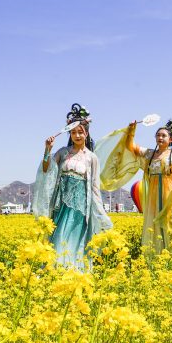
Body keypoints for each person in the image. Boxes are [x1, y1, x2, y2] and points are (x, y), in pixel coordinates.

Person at [97, 118, 172, 261]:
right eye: (158, 135)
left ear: (171, 139)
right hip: (153, 199)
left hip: (170, 199)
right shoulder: (149, 154)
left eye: (163, 135)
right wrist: (131, 131)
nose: (160, 138)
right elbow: (131, 147)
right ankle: (156, 259)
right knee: (154, 226)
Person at [31, 103, 113, 270]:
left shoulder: (92, 158)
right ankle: (56, 270)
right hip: (61, 205)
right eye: (73, 132)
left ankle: (75, 272)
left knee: (77, 238)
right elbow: (46, 170)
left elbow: (95, 187)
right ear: (69, 134)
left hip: (82, 207)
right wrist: (47, 150)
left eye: (80, 132)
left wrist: (101, 213)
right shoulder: (62, 152)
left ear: (86, 133)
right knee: (59, 235)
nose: (77, 135)